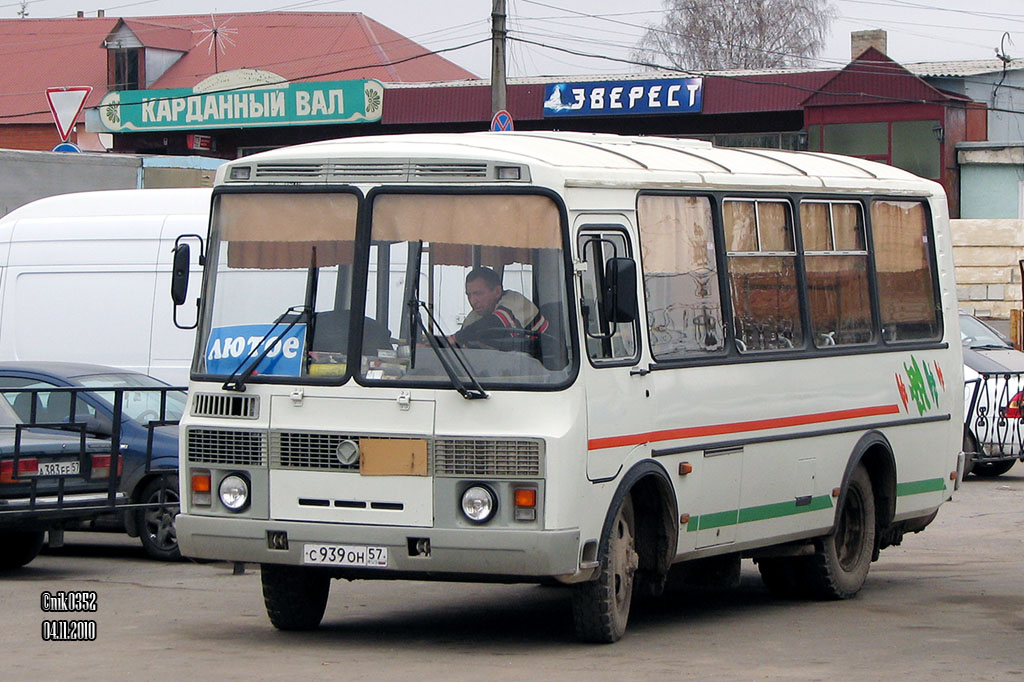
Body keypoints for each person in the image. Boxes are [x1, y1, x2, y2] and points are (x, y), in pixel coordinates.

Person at [450, 267, 548, 348]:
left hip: (543, 364)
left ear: (497, 292)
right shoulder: (474, 317)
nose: (473, 301)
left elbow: (495, 324)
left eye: (478, 294)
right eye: (469, 295)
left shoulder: (514, 301)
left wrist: (458, 337)